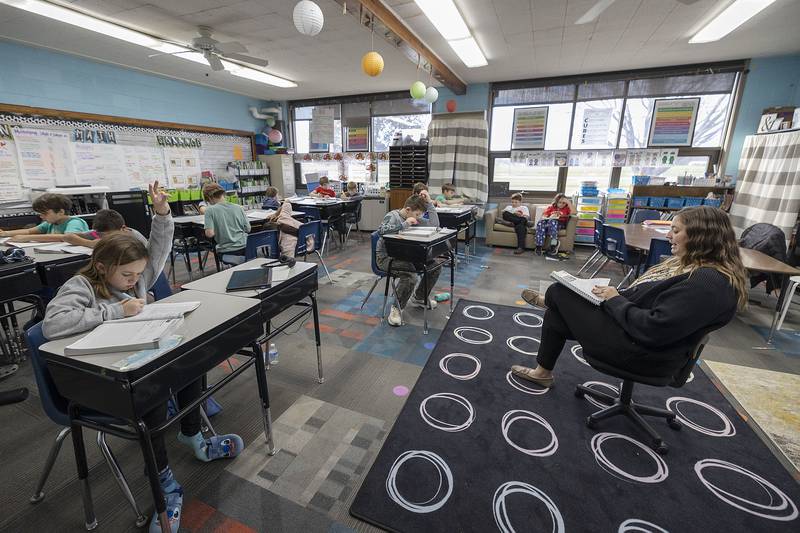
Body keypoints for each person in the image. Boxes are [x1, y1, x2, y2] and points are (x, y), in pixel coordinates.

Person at [41, 182, 244, 533]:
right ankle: (162, 478)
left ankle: (192, 436)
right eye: (127, 275)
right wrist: (116, 312)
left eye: (138, 275)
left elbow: (159, 249)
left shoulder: (132, 277)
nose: (136, 282)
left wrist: (162, 212)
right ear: (102, 267)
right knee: (151, 395)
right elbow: (53, 324)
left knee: (189, 362)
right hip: (102, 379)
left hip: (136, 359)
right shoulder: (82, 286)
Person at [513, 206, 747, 388]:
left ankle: (548, 304)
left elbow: (653, 329)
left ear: (701, 237)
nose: (668, 235)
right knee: (562, 303)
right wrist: (613, 295)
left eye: (676, 231)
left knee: (561, 293)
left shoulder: (706, 284)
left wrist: (615, 299)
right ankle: (542, 373)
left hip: (638, 352)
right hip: (631, 332)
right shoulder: (696, 270)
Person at [376, 195, 441, 327]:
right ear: (407, 209)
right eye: (417, 214)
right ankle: (396, 309)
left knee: (435, 266)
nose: (418, 218)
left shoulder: (414, 217)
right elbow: (381, 231)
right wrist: (404, 224)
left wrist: (429, 203)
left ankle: (419, 297)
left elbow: (434, 224)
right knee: (411, 275)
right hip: (386, 258)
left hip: (407, 255)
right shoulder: (393, 216)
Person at [0, 193, 89, 242]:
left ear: (61, 212)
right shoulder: (50, 223)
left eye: (44, 213)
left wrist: (28, 238)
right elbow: (29, 231)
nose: (41, 216)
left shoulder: (75, 222)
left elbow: (67, 237)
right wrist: (5, 233)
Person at [202, 183, 251, 264]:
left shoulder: (209, 210)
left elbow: (210, 234)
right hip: (245, 248)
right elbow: (248, 229)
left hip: (227, 251)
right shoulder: (239, 207)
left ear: (209, 198)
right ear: (223, 194)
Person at [62, 209, 147, 248]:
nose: (108, 239)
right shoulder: (97, 233)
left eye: (112, 235)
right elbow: (67, 236)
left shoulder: (134, 237)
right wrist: (89, 243)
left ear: (123, 228)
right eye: (103, 236)